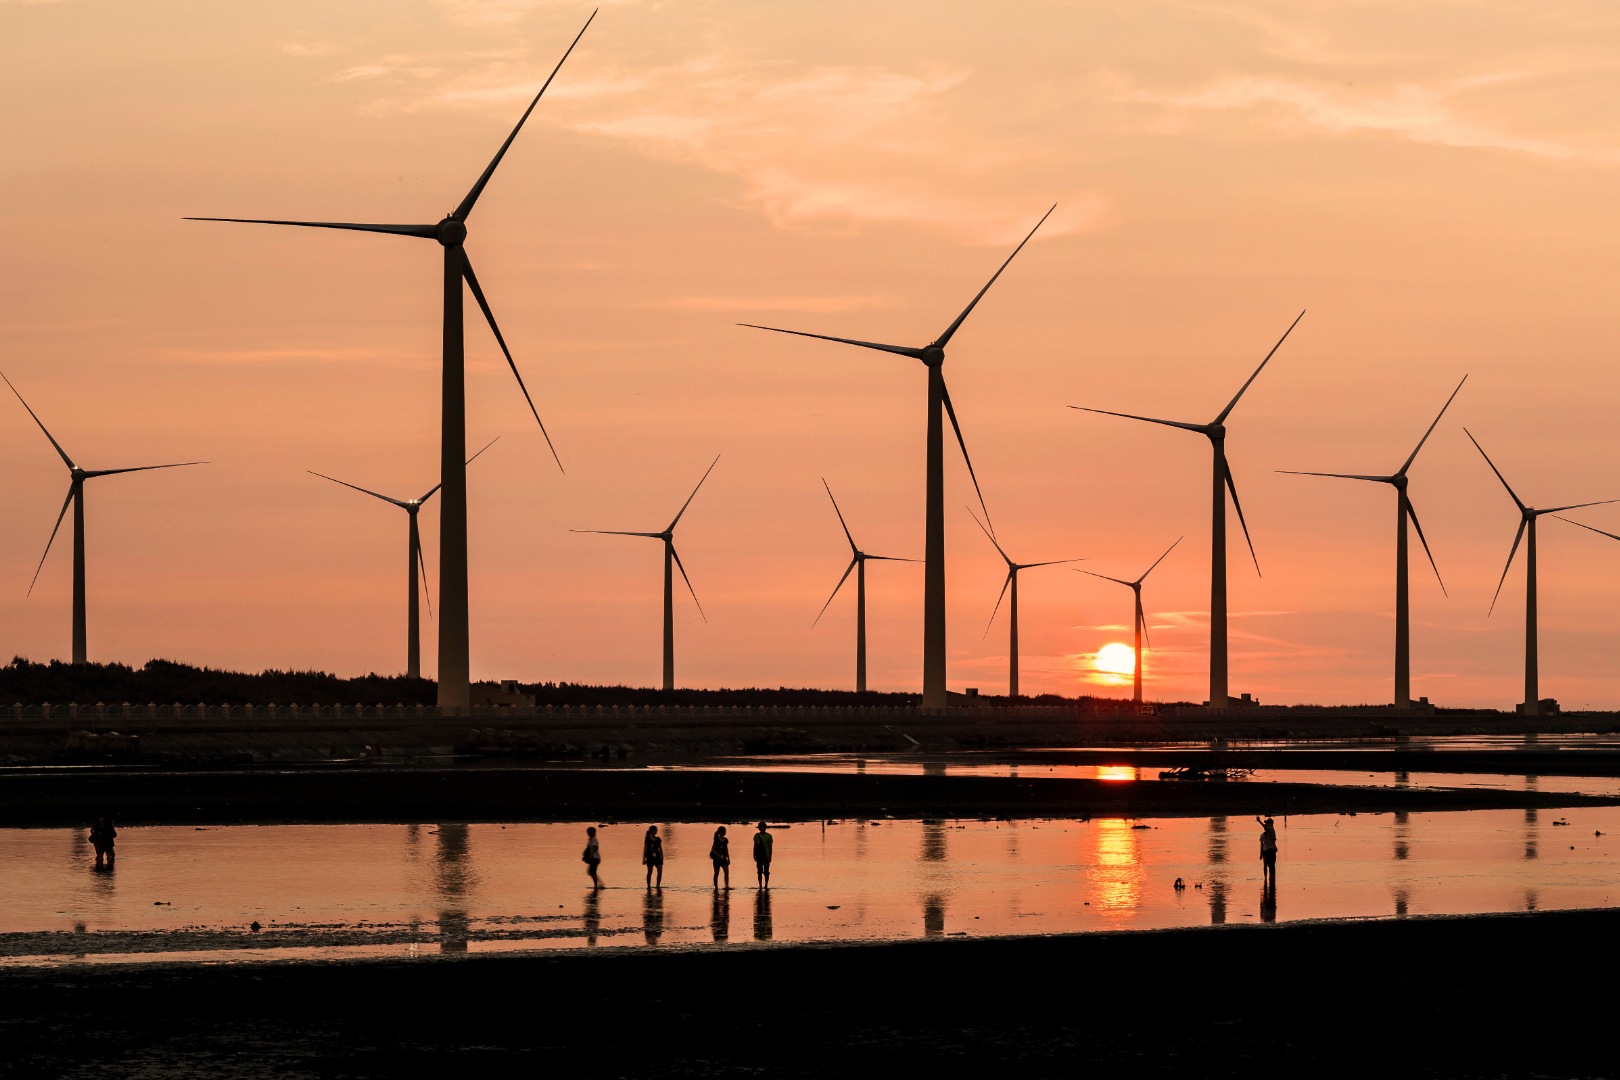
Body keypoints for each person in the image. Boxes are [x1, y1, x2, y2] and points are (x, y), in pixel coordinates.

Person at [1257, 815, 1278, 885]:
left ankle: (1272, 880)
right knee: (1267, 866)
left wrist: (1259, 821)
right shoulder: (1262, 835)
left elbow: (1266, 828)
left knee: (1272, 866)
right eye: (1265, 823)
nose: (1265, 824)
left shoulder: (1272, 830)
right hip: (1266, 851)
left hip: (1271, 851)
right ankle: (1267, 879)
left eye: (1267, 823)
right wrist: (1260, 854)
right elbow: (1261, 845)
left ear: (1270, 824)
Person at [642, 825, 665, 889]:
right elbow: (645, 849)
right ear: (652, 831)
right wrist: (643, 859)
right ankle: (648, 886)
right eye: (655, 830)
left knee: (660, 871)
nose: (656, 831)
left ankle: (658, 885)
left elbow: (660, 849)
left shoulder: (658, 839)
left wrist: (662, 857)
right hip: (649, 857)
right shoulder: (647, 839)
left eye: (656, 830)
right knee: (650, 872)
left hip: (657, 857)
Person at [710, 825, 731, 889]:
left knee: (726, 872)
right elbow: (713, 849)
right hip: (717, 859)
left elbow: (726, 849)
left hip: (724, 858)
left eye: (725, 831)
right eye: (724, 831)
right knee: (716, 873)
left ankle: (726, 886)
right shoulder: (716, 839)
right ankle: (716, 887)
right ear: (720, 832)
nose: (725, 833)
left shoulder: (725, 840)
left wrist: (728, 858)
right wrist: (719, 856)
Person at [753, 821, 773, 889]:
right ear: (759, 828)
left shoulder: (769, 836)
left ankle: (766, 885)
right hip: (759, 856)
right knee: (759, 871)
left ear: (765, 828)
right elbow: (755, 846)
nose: (762, 828)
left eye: (764, 827)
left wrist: (770, 857)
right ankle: (760, 885)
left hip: (766, 855)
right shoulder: (756, 835)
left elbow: (770, 847)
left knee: (766, 871)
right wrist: (754, 855)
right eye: (761, 827)